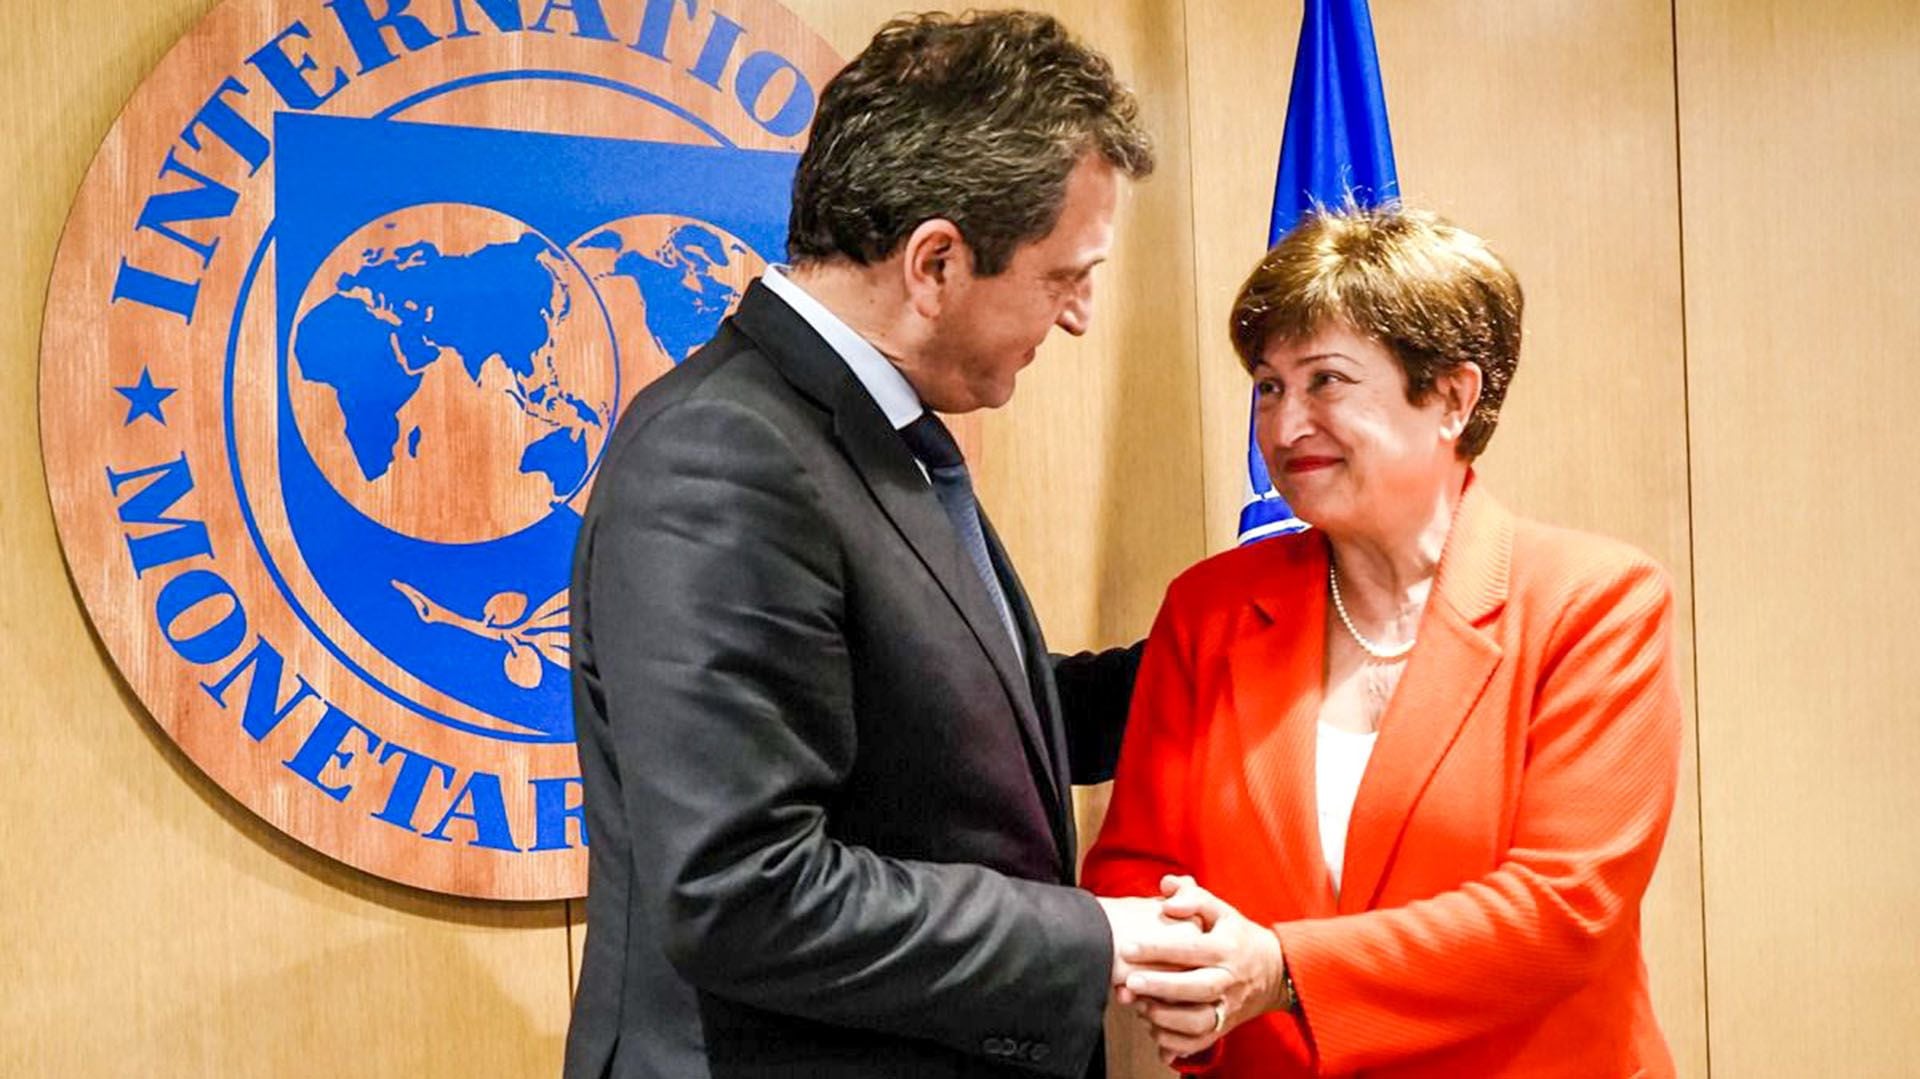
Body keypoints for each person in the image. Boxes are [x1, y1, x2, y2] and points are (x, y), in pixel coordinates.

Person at [565, 11, 1185, 1079]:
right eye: (1063, 275)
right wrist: (1100, 938)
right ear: (935, 261)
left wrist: (1230, 661)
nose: (1079, 316)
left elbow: (958, 730)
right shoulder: (724, 454)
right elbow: (743, 889)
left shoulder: (861, 430)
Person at [1082, 204, 1683, 1077]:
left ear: (1451, 396)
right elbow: (1134, 862)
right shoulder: (1209, 608)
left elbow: (1564, 910)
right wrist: (1197, 973)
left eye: (1325, 381)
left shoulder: (1594, 603)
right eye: (1268, 385)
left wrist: (1282, 971)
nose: (1286, 428)